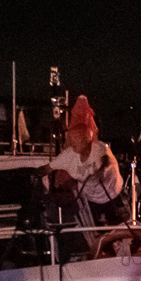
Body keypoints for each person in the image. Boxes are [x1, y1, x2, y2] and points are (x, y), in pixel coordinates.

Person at [48, 96, 127, 224]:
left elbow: (105, 161)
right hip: (92, 197)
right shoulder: (74, 155)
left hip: (108, 192)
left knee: (112, 218)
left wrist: (100, 171)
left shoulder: (100, 149)